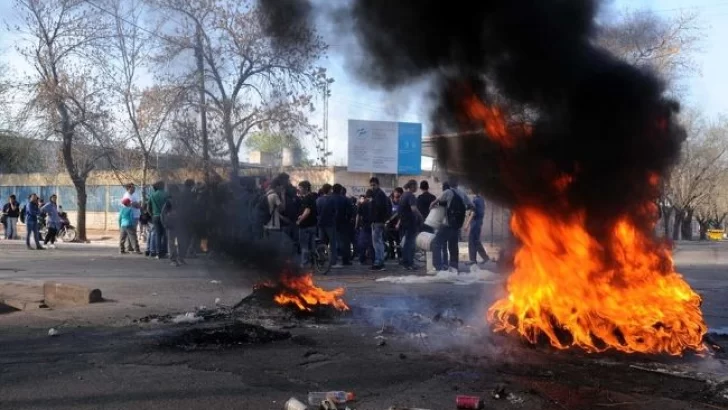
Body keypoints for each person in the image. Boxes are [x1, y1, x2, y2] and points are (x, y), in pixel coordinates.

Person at [430, 179, 473, 272]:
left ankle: (438, 268)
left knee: (436, 243)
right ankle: (454, 268)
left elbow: (433, 203)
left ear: (449, 184)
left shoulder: (447, 192)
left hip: (447, 224)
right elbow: (472, 206)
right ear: (457, 183)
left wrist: (433, 209)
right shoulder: (462, 193)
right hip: (457, 225)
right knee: (453, 246)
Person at [399, 180, 423, 270]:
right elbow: (413, 209)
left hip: (404, 222)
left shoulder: (403, 195)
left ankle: (406, 262)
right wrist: (421, 216)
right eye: (416, 186)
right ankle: (410, 263)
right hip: (410, 222)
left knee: (406, 243)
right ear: (412, 186)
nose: (417, 188)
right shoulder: (411, 196)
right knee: (411, 243)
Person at [369, 177, 391, 271]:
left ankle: (379, 263)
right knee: (378, 242)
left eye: (374, 185)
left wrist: (376, 219)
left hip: (378, 221)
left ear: (378, 184)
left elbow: (378, 208)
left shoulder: (379, 195)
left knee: (377, 243)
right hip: (378, 221)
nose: (372, 187)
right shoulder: (379, 194)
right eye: (371, 185)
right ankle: (379, 262)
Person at [296, 180, 318, 268]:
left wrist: (300, 220)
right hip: (313, 225)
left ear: (305, 188)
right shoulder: (313, 197)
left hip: (305, 226)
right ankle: (313, 263)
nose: (299, 190)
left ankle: (304, 264)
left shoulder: (306, 198)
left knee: (304, 246)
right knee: (312, 245)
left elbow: (307, 211)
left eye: (300, 188)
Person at [163, 185, 186, 266]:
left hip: (171, 224)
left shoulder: (168, 201)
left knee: (171, 242)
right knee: (181, 242)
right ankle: (181, 258)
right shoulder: (182, 200)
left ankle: (173, 260)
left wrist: (164, 223)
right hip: (180, 224)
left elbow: (163, 213)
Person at [331, 183, 353, 268]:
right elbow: (350, 211)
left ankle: (333, 259)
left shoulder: (329, 198)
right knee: (345, 242)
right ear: (340, 190)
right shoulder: (346, 199)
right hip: (343, 223)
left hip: (331, 223)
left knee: (332, 241)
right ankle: (345, 260)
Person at [316, 184, 337, 268]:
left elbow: (317, 212)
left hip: (320, 224)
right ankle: (333, 261)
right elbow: (335, 212)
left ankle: (321, 260)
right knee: (332, 243)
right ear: (329, 190)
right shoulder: (332, 200)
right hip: (330, 224)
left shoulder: (318, 200)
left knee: (322, 242)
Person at [147, 181, 168, 259]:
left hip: (155, 217)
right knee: (165, 235)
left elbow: (148, 208)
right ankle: (164, 252)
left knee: (157, 235)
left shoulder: (152, 195)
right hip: (165, 217)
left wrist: (152, 215)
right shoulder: (166, 194)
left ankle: (158, 253)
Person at [468, 192, 490, 265]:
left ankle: (473, 260)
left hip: (475, 223)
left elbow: (473, 213)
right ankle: (484, 257)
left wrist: (467, 224)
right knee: (476, 241)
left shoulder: (476, 200)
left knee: (472, 241)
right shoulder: (481, 200)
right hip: (479, 222)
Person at [356, 191, 374, 265]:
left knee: (362, 243)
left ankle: (362, 259)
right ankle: (372, 259)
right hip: (372, 225)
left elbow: (358, 216)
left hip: (364, 225)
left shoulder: (362, 204)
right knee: (372, 243)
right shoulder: (373, 204)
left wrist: (356, 225)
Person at [385, 187, 403, 261]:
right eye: (396, 192)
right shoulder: (389, 201)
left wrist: (398, 223)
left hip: (398, 223)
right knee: (390, 240)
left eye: (399, 192)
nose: (397, 194)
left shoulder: (402, 203)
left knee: (398, 240)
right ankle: (392, 254)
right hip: (389, 223)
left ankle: (399, 254)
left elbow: (402, 214)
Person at [122, 183, 141, 250]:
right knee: (130, 232)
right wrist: (135, 204)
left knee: (133, 231)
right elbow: (131, 204)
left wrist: (136, 204)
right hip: (130, 216)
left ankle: (130, 247)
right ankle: (129, 247)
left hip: (136, 215)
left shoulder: (135, 194)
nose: (134, 188)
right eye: (133, 187)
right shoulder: (126, 195)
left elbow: (138, 203)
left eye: (134, 187)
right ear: (129, 188)